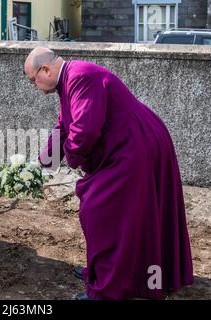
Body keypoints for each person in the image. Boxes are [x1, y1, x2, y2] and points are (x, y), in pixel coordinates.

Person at [24, 47, 194, 300]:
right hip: (135, 142)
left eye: (32, 80)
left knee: (100, 211)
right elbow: (64, 125)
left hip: (135, 146)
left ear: (45, 70)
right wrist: (41, 164)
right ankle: (109, 271)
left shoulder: (80, 76)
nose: (34, 86)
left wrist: (73, 159)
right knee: (128, 215)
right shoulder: (69, 80)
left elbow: (84, 131)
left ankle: (106, 288)